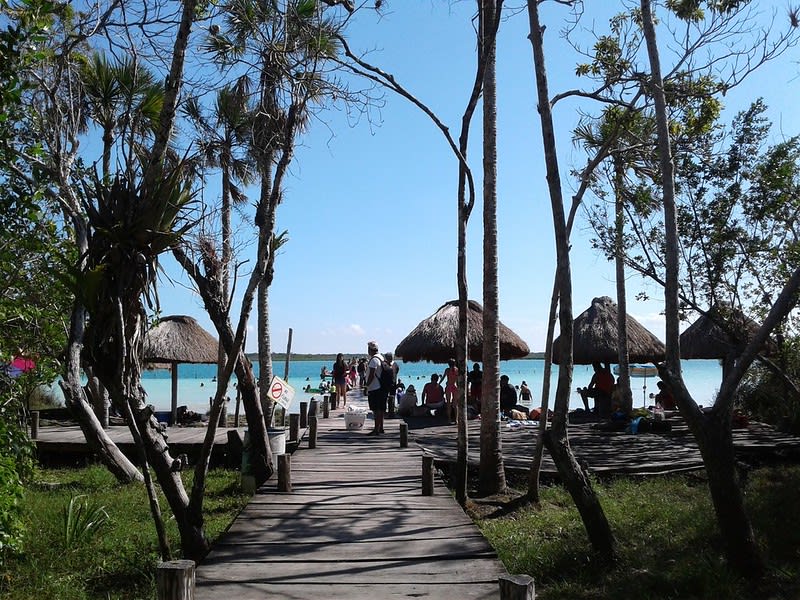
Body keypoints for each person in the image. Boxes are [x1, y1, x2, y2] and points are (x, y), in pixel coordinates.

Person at [365, 341, 387, 435]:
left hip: (375, 387)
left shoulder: (374, 360)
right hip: (382, 387)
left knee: (376, 409)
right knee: (381, 409)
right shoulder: (381, 357)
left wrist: (367, 385)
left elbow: (372, 375)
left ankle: (376, 429)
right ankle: (381, 427)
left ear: (370, 349)